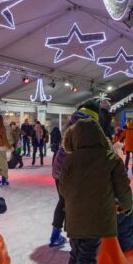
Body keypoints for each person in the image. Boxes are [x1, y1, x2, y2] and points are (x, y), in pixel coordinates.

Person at [58, 118, 133, 264]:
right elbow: (123, 189)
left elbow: (62, 189)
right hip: (97, 217)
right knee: (87, 259)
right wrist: (126, 206)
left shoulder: (70, 160)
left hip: (73, 217)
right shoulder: (110, 158)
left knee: (76, 254)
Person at [51, 100, 101, 248]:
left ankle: (55, 236)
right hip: (73, 172)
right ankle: (77, 241)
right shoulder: (89, 128)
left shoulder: (71, 122)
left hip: (59, 170)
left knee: (63, 202)